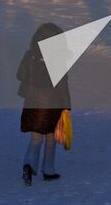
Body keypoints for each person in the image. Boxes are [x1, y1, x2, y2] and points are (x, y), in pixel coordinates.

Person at [18, 23, 71, 185]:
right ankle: (48, 170)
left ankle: (28, 164)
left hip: (32, 103)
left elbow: (20, 74)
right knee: (50, 140)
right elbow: (62, 85)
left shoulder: (30, 55)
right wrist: (67, 106)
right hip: (52, 106)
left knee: (35, 139)